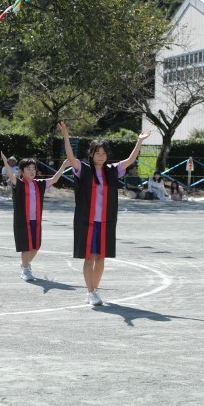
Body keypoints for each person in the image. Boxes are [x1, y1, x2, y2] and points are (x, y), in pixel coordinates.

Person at [60, 121, 151, 306]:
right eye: (97, 153)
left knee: (101, 257)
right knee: (89, 257)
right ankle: (90, 291)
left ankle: (95, 290)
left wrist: (139, 141)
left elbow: (130, 160)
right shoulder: (83, 169)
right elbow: (70, 156)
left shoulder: (112, 171)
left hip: (105, 221)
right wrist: (66, 137)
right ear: (91, 154)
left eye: (104, 153)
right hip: (86, 221)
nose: (101, 156)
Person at [1, 151, 70, 281]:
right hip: (23, 221)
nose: (32, 171)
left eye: (33, 169)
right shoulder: (19, 184)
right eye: (28, 169)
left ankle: (25, 264)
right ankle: (25, 270)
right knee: (26, 247)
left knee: (36, 247)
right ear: (22, 171)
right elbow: (11, 177)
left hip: (36, 221)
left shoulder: (39, 183)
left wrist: (63, 166)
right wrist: (6, 162)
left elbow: (54, 179)